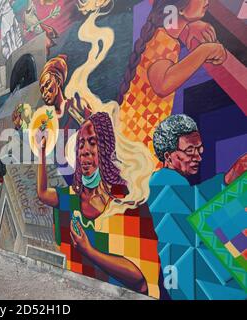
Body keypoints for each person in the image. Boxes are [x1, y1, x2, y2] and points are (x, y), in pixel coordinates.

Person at [37, 112, 167, 299]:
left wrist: (89, 251)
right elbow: (42, 194)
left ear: (106, 148)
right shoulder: (73, 197)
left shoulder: (125, 203)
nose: (84, 150)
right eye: (80, 145)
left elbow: (140, 279)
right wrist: (42, 151)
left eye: (92, 142)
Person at [117, 0, 227, 166]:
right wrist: (206, 50)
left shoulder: (161, 35)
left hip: (135, 143)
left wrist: (189, 26)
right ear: (180, 8)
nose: (207, 1)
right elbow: (163, 84)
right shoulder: (162, 41)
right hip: (138, 146)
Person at [149, 114, 246, 299]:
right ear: (168, 156)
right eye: (190, 150)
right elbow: (193, 207)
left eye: (199, 150)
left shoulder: (177, 185)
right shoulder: (161, 183)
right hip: (189, 282)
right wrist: (228, 179)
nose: (198, 157)